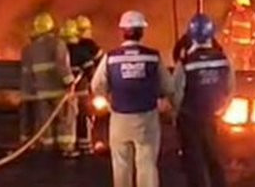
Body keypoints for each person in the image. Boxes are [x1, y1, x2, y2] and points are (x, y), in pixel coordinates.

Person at [91, 10, 174, 187]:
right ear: (141, 32)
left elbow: (96, 85)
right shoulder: (153, 56)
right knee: (147, 164)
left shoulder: (111, 57)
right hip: (146, 118)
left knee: (121, 165)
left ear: (123, 31)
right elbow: (169, 86)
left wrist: (109, 99)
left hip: (119, 117)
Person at [173, 14, 234, 187]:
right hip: (212, 117)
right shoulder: (224, 60)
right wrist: (222, 110)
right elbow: (230, 88)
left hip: (190, 118)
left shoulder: (186, 62)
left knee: (194, 162)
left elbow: (176, 92)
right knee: (213, 158)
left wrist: (175, 113)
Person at [20, 12, 76, 157]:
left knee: (45, 121)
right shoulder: (58, 43)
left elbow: (29, 73)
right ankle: (66, 148)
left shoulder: (31, 48)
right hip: (58, 91)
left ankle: (47, 148)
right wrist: (70, 81)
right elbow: (62, 65)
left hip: (41, 92)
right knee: (65, 119)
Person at [67, 16, 103, 154]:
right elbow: (99, 65)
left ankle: (74, 143)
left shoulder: (65, 48)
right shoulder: (88, 47)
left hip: (68, 93)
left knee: (72, 119)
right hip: (83, 90)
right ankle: (85, 145)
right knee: (85, 116)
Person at [221, 0, 255, 70]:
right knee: (232, 60)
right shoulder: (232, 14)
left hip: (246, 44)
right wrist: (225, 37)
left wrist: (253, 39)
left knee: (245, 61)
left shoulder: (251, 15)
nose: (236, 6)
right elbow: (227, 27)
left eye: (237, 4)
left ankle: (246, 74)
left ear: (243, 5)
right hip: (234, 43)